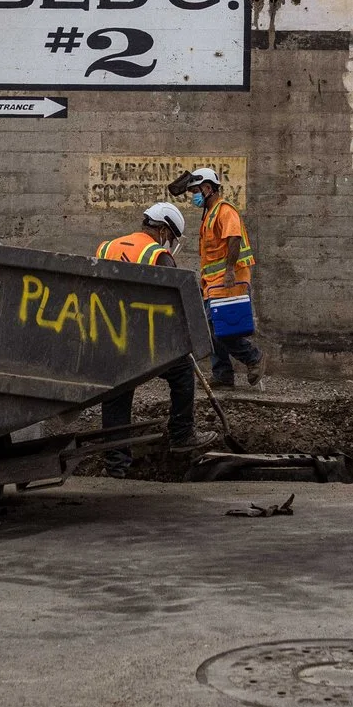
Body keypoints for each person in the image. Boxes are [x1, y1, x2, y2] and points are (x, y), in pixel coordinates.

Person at [94, 201, 198, 477]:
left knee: (116, 395)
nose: (171, 242)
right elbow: (174, 304)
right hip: (144, 341)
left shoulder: (107, 247)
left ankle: (116, 466)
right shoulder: (158, 255)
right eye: (172, 237)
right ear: (163, 230)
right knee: (183, 372)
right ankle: (181, 436)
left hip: (109, 337)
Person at [177, 168, 262, 390]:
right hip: (214, 282)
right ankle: (223, 374)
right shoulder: (210, 213)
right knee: (212, 329)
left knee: (219, 329)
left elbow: (233, 238)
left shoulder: (224, 211)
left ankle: (253, 358)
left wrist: (230, 271)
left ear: (207, 188)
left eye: (195, 190)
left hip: (228, 280)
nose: (194, 196)